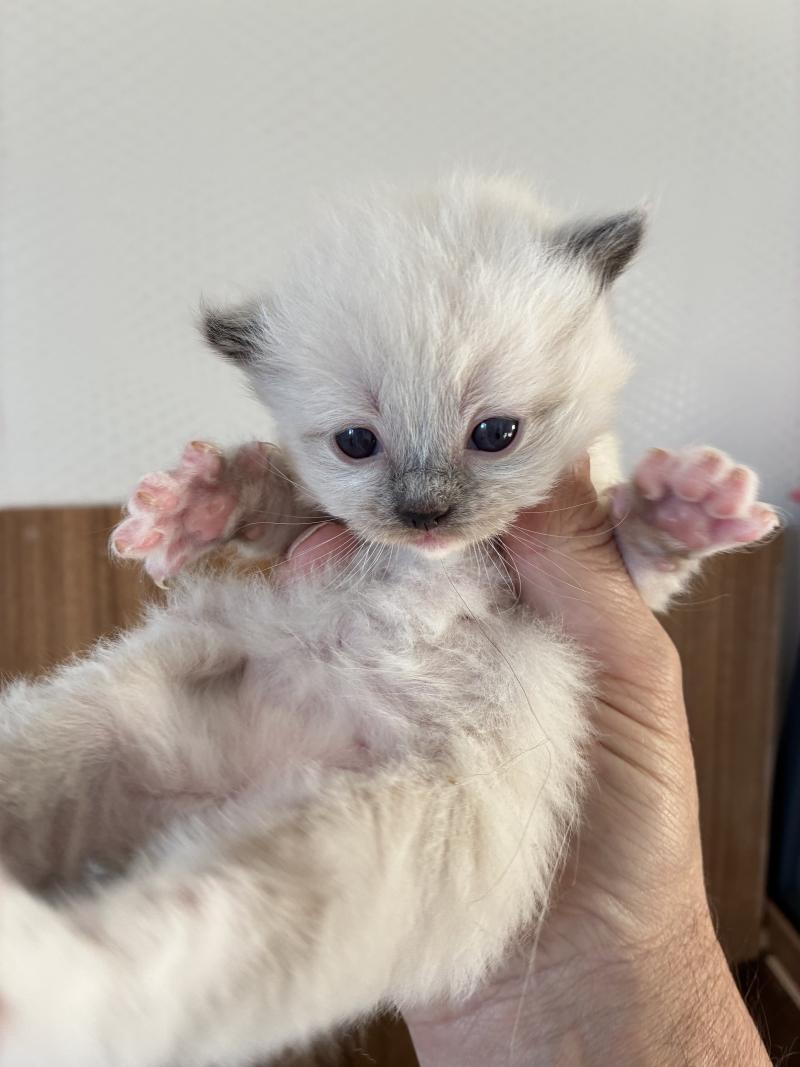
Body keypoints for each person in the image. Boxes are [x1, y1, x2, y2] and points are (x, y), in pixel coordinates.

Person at [286, 457, 771, 1065]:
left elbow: (592, 616)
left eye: (494, 434)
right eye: (357, 441)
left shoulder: (559, 495)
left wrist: (643, 551)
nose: (428, 499)